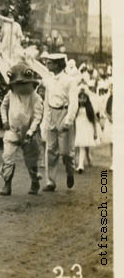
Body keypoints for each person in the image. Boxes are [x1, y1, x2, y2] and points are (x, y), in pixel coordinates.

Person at [0, 63, 44, 196]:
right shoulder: (10, 94)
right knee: (8, 157)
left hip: (30, 133)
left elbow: (37, 117)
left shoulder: (36, 98)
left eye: (23, 83)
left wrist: (30, 132)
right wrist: (5, 121)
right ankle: (7, 185)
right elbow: (3, 107)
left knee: (31, 160)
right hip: (12, 130)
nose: (20, 87)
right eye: (17, 84)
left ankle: (34, 181)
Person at [39, 53, 79, 192]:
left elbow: (74, 103)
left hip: (64, 112)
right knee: (51, 150)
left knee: (66, 152)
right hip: (52, 114)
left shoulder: (69, 81)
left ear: (57, 64)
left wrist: (69, 120)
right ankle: (50, 181)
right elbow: (46, 102)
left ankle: (70, 171)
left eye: (49, 62)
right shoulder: (49, 80)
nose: (47, 65)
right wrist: (45, 122)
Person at [74, 83, 100, 173]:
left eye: (84, 98)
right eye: (80, 98)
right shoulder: (75, 108)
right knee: (76, 146)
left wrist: (95, 132)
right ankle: (75, 162)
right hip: (77, 127)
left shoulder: (89, 108)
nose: (82, 100)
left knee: (82, 145)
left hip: (86, 128)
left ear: (87, 99)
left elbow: (93, 120)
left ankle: (80, 165)